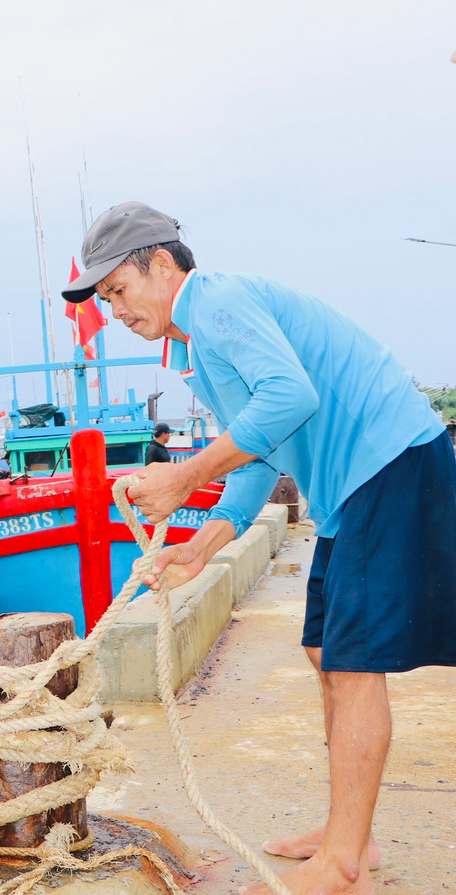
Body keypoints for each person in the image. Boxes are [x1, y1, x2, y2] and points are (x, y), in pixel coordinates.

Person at [63, 200, 456, 895]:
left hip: (388, 459)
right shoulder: (195, 348)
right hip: (348, 487)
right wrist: (199, 546)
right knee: (321, 649)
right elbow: (258, 454)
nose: (115, 310)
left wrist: (183, 476)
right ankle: (348, 834)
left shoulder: (214, 300)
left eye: (118, 290)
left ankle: (343, 862)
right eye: (104, 299)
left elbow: (288, 396)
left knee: (356, 661)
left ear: (160, 263)